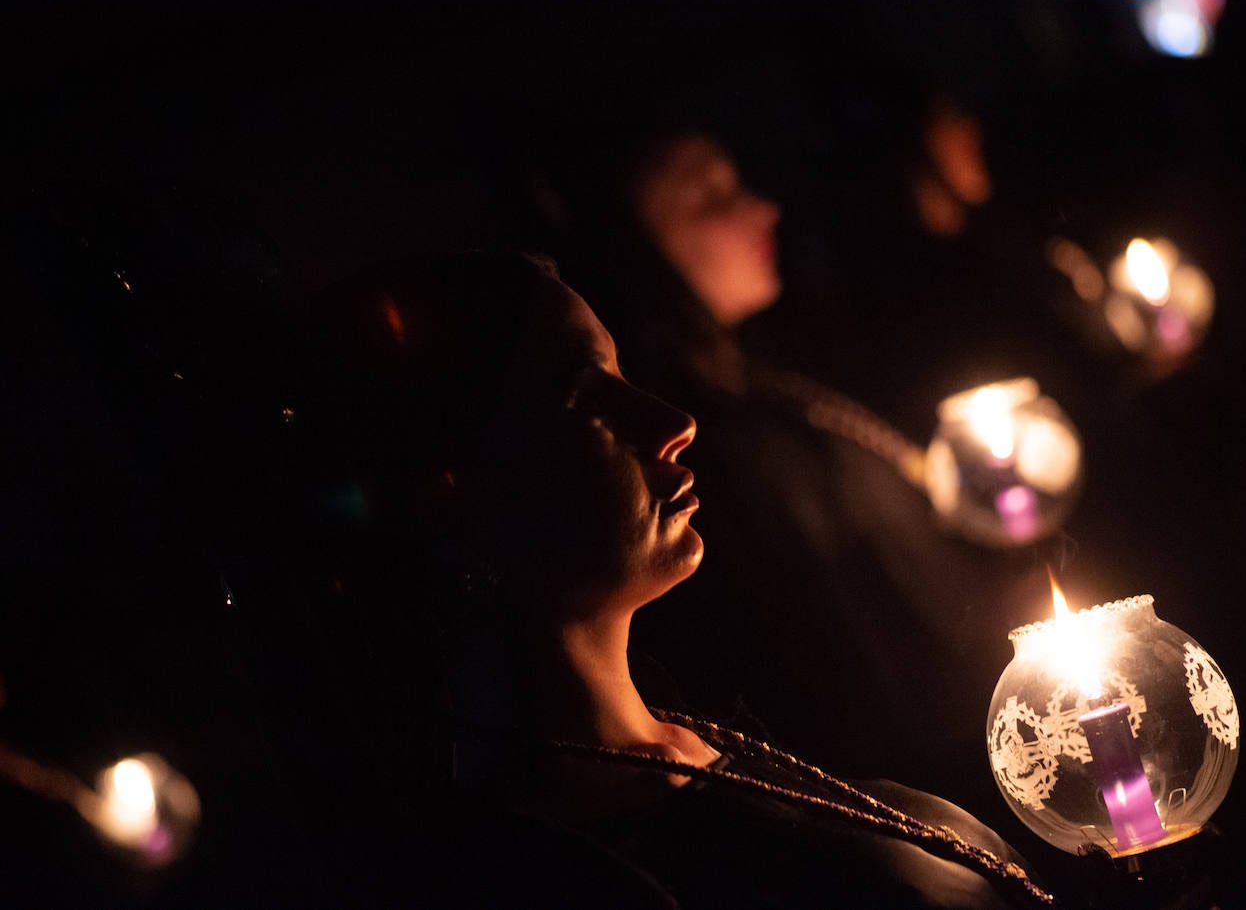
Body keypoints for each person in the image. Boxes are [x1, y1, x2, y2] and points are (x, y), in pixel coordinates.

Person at [220, 250, 1051, 908]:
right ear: (453, 495)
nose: (672, 423)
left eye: (624, 378)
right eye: (588, 400)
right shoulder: (572, 869)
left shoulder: (706, 743)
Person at [537, 121, 1050, 819]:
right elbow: (846, 656)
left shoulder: (763, 385)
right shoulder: (704, 454)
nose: (763, 208)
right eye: (710, 197)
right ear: (629, 248)